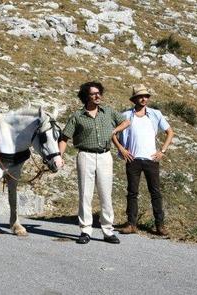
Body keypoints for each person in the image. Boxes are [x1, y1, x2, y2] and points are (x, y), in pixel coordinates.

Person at [58, 81, 130, 244]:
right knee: (85, 194)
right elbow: (64, 138)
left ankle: (108, 231)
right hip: (85, 156)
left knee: (106, 194)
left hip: (105, 156)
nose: (98, 96)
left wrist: (115, 130)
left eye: (99, 93)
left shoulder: (108, 112)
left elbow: (126, 121)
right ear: (86, 96)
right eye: (93, 94)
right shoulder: (77, 116)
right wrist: (60, 156)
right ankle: (85, 230)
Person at [112, 84, 174, 236]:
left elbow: (170, 132)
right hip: (133, 159)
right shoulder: (126, 115)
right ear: (134, 99)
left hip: (152, 160)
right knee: (132, 192)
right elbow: (112, 132)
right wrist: (121, 148)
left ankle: (160, 225)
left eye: (146, 96)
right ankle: (131, 224)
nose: (144, 99)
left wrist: (162, 151)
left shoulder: (155, 114)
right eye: (140, 96)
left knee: (155, 192)